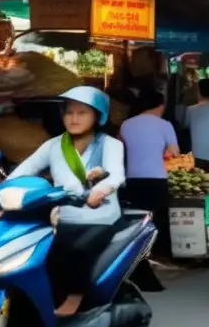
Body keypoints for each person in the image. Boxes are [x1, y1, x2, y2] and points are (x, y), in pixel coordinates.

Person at [9, 86, 126, 315]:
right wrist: (1, 190)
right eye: (69, 112)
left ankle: (75, 298)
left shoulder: (111, 145)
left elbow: (116, 174)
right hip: (64, 218)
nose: (73, 119)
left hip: (100, 218)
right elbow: (26, 170)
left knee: (76, 250)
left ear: (97, 116)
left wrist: (101, 190)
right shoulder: (52, 145)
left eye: (82, 113)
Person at [120, 89, 179, 260]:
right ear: (160, 106)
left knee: (137, 217)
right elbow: (174, 152)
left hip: (132, 178)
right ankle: (159, 253)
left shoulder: (126, 124)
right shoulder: (165, 125)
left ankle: (137, 253)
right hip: (157, 178)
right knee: (159, 218)